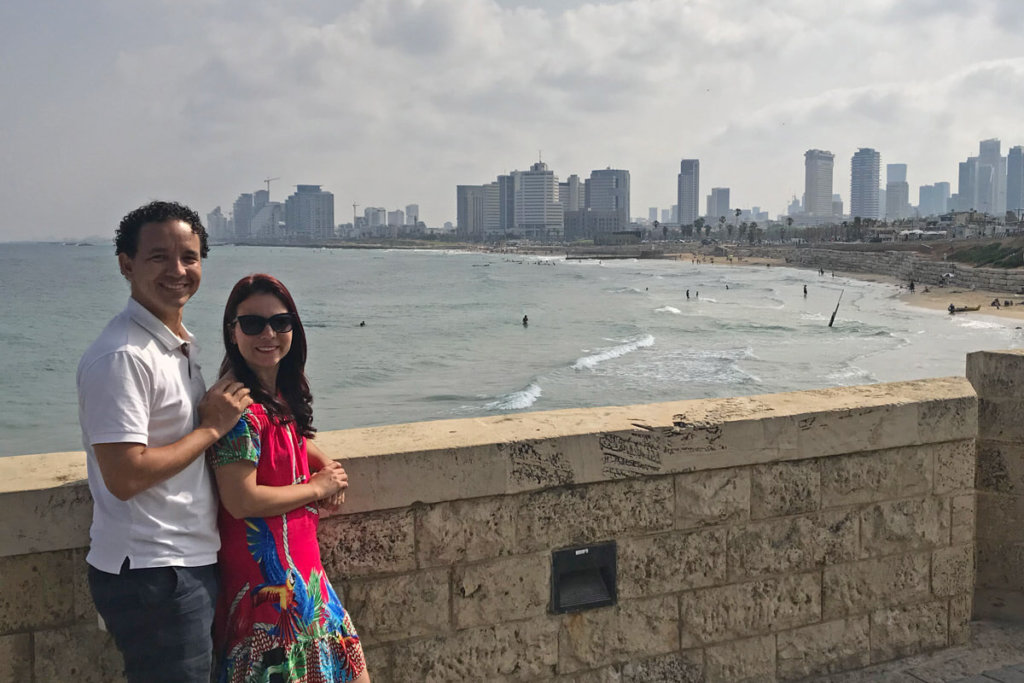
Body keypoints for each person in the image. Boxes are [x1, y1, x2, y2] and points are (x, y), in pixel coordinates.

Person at [78, 201, 253, 682]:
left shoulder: (174, 346)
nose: (177, 270)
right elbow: (125, 475)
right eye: (159, 257)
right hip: (154, 570)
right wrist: (210, 429)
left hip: (184, 561)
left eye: (189, 257)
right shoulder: (123, 356)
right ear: (126, 265)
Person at [209, 274, 369, 683]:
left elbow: (294, 438)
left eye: (281, 323)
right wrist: (317, 488)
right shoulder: (238, 409)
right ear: (232, 333)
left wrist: (328, 466)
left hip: (307, 582)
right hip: (270, 597)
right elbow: (240, 500)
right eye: (252, 324)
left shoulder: (277, 397)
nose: (268, 333)